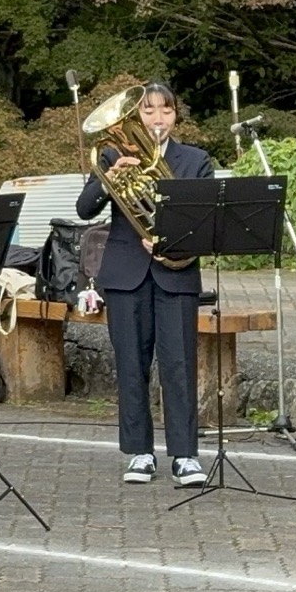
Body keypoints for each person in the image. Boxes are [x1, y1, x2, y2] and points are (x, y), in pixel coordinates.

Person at [76, 83, 216, 486]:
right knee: (131, 366)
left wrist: (171, 237)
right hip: (126, 271)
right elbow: (84, 208)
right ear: (137, 116)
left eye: (165, 111)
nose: (157, 118)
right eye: (149, 111)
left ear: (176, 115)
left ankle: (185, 455)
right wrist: (108, 179)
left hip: (176, 272)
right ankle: (139, 452)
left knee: (179, 364)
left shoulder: (195, 160)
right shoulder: (111, 154)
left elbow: (205, 219)